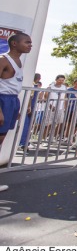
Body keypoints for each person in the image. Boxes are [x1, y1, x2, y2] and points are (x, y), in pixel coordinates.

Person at [0, 33, 32, 192]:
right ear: (14, 43)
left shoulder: (19, 61)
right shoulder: (3, 59)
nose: (30, 45)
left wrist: (16, 109)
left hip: (11, 101)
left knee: (1, 139)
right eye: (27, 42)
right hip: (2, 101)